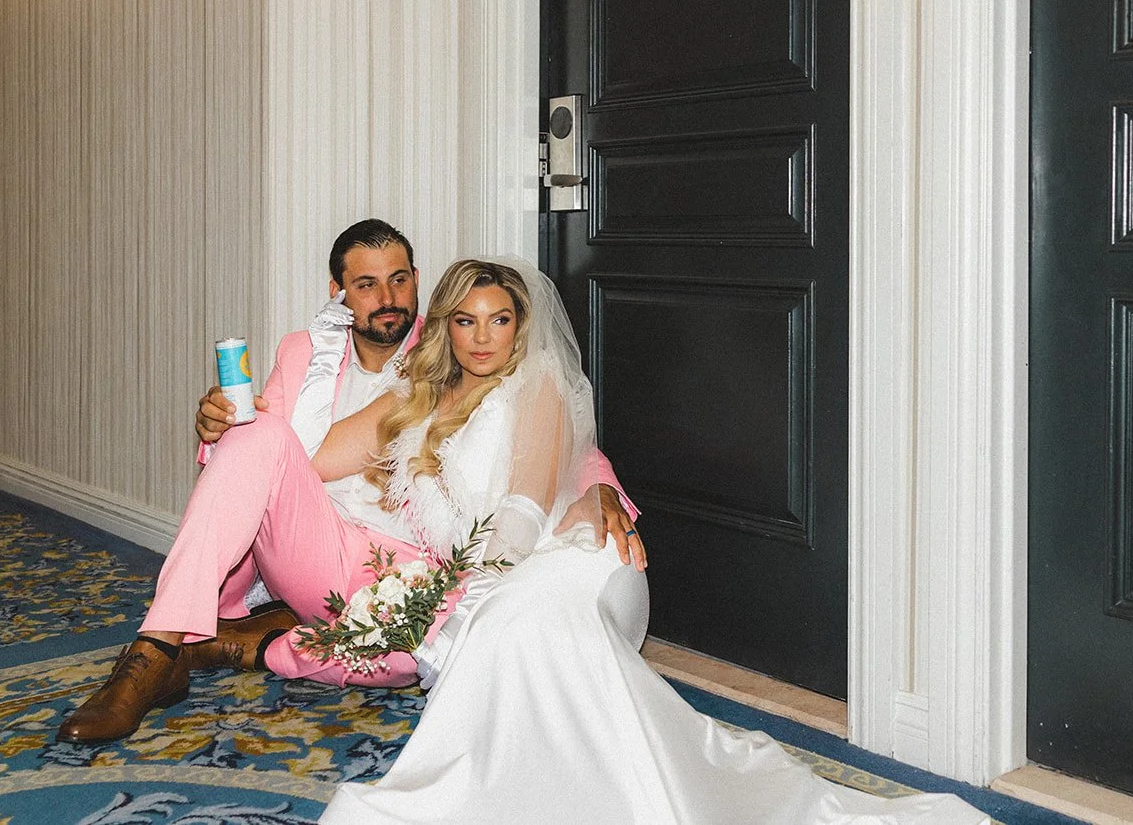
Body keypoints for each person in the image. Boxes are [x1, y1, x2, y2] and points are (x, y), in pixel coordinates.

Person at [314, 259, 990, 824]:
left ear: (521, 326)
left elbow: (523, 511)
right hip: (505, 573)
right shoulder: (418, 399)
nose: (483, 337)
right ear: (445, 326)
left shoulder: (536, 385)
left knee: (513, 624)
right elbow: (311, 454)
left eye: (500, 319)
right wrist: (307, 360)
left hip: (579, 555)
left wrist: (466, 597)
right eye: (466, 320)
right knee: (514, 633)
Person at [56, 221, 640, 745]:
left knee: (413, 655)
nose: (388, 299)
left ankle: (244, 644)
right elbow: (284, 463)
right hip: (318, 541)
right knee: (262, 432)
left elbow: (563, 447)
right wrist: (221, 429)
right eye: (367, 285)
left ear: (418, 283)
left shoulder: (454, 360)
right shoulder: (314, 355)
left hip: (414, 563)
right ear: (338, 292)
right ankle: (153, 651)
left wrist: (600, 490)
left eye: (399, 281)